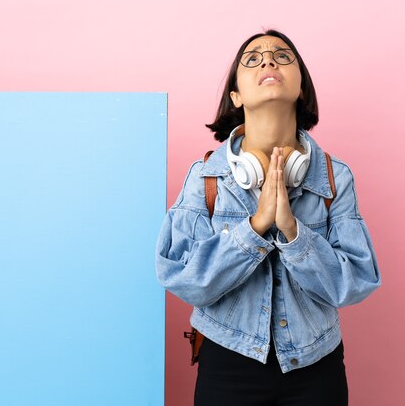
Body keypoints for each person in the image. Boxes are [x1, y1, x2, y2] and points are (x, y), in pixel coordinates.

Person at [154, 29, 381, 406]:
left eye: (282, 55)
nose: (269, 61)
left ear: (302, 89)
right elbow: (181, 277)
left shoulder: (333, 176)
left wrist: (294, 233)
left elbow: (355, 281)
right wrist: (256, 227)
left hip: (316, 364)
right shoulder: (206, 176)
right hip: (227, 362)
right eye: (253, 58)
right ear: (236, 96)